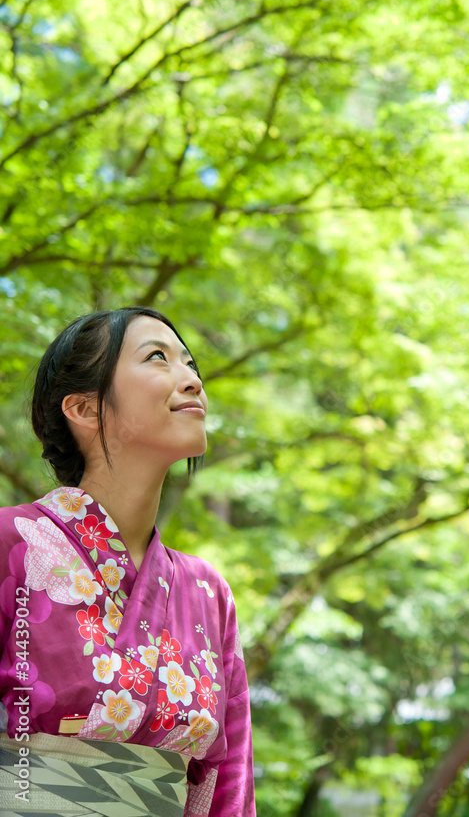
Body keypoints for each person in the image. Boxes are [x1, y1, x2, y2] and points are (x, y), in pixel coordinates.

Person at [0, 306, 256, 816]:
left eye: (192, 364)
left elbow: (228, 789)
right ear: (84, 409)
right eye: (158, 357)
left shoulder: (208, 592)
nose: (191, 381)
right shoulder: (11, 543)